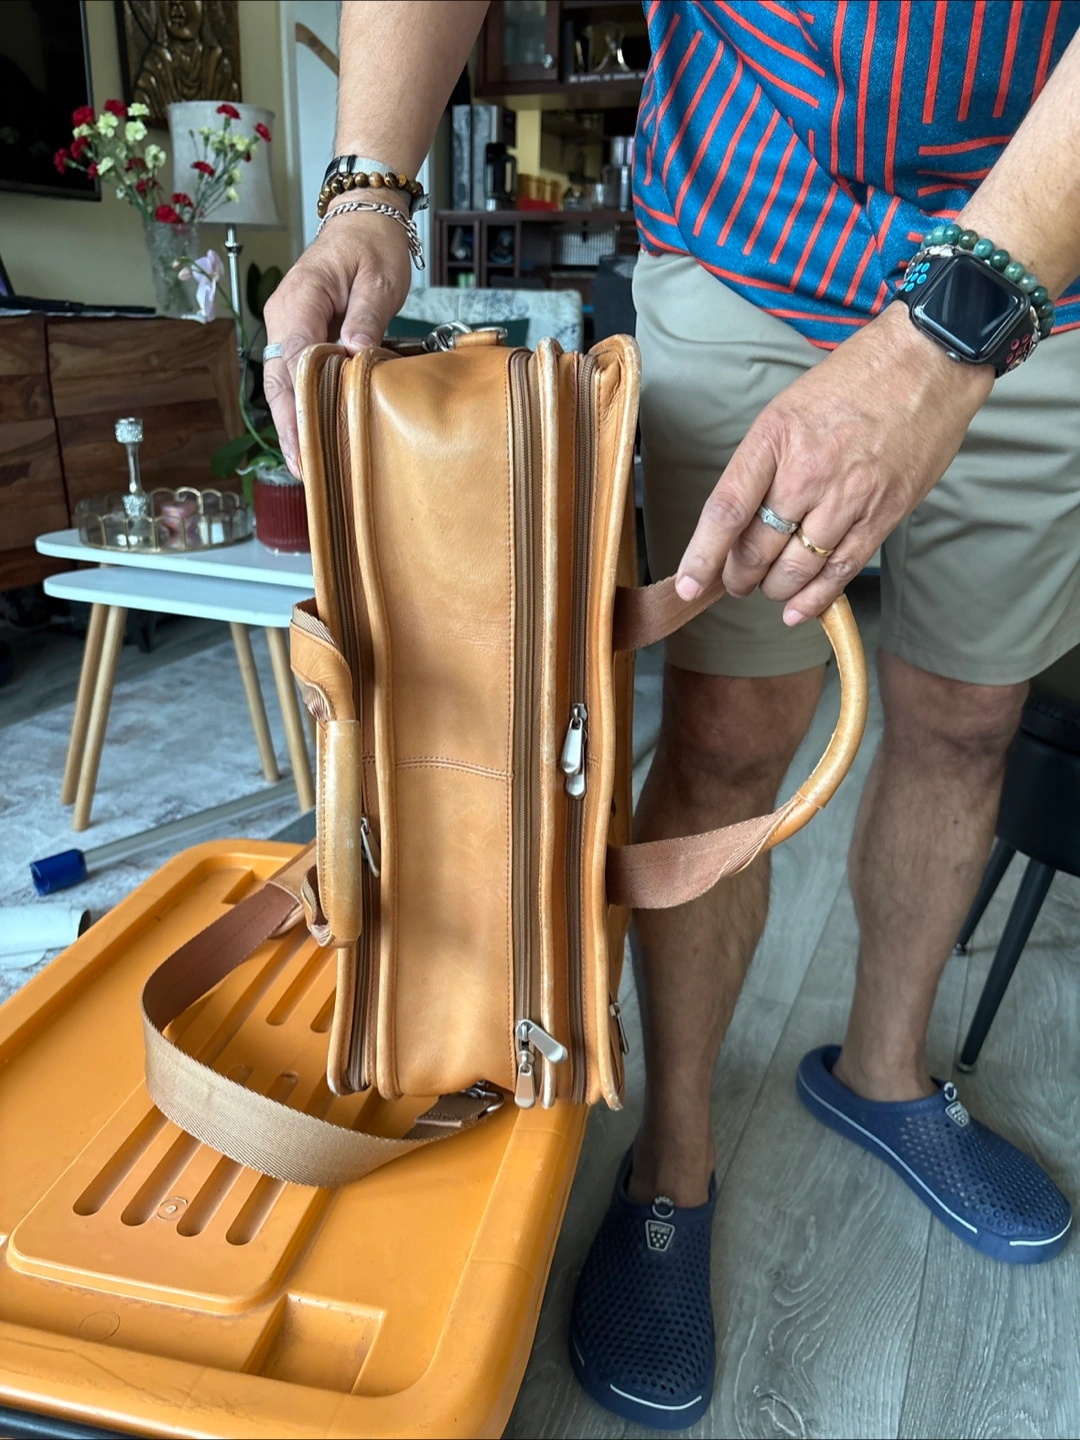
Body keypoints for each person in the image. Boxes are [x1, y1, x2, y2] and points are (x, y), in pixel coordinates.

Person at [264, 2, 1080, 1428]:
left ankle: (885, 1075)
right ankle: (673, 1158)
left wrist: (949, 328)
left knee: (968, 721)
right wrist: (367, 191)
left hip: (1045, 264)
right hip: (754, 241)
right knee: (724, 738)